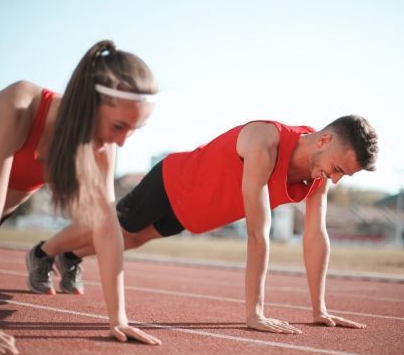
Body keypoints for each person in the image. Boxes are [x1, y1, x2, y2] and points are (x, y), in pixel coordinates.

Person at [29, 115, 379, 334]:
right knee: (116, 228)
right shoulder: (265, 141)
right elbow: (258, 233)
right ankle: (43, 253)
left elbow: (317, 236)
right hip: (174, 181)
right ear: (324, 140)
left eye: (342, 175)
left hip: (196, 212)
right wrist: (254, 313)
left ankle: (70, 256)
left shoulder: (319, 177)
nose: (334, 180)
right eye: (337, 169)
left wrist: (319, 308)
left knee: (131, 240)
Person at [0, 40, 163, 355]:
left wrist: (117, 319)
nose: (121, 141)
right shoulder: (18, 107)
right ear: (88, 103)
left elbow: (107, 228)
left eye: (134, 129)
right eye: (119, 126)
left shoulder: (100, 148)